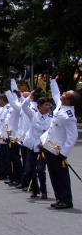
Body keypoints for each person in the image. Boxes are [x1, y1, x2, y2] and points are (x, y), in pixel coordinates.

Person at [41, 79, 79, 210]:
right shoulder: (60, 106)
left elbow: (73, 136)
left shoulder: (69, 116)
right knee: (53, 175)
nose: (62, 95)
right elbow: (56, 93)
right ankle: (59, 198)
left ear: (68, 100)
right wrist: (52, 80)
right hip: (49, 147)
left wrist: (64, 153)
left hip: (58, 151)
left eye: (65, 95)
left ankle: (66, 200)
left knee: (61, 176)